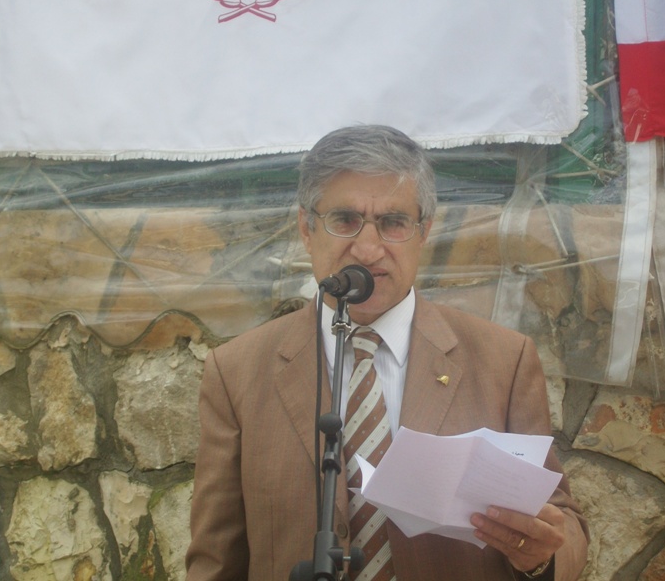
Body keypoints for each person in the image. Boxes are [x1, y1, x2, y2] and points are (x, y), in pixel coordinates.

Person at [186, 125, 590, 580]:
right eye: (344, 220)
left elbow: (560, 523)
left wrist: (540, 557)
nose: (368, 249)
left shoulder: (503, 361)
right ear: (306, 229)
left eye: (393, 223)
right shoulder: (236, 372)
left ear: (424, 232)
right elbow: (215, 560)